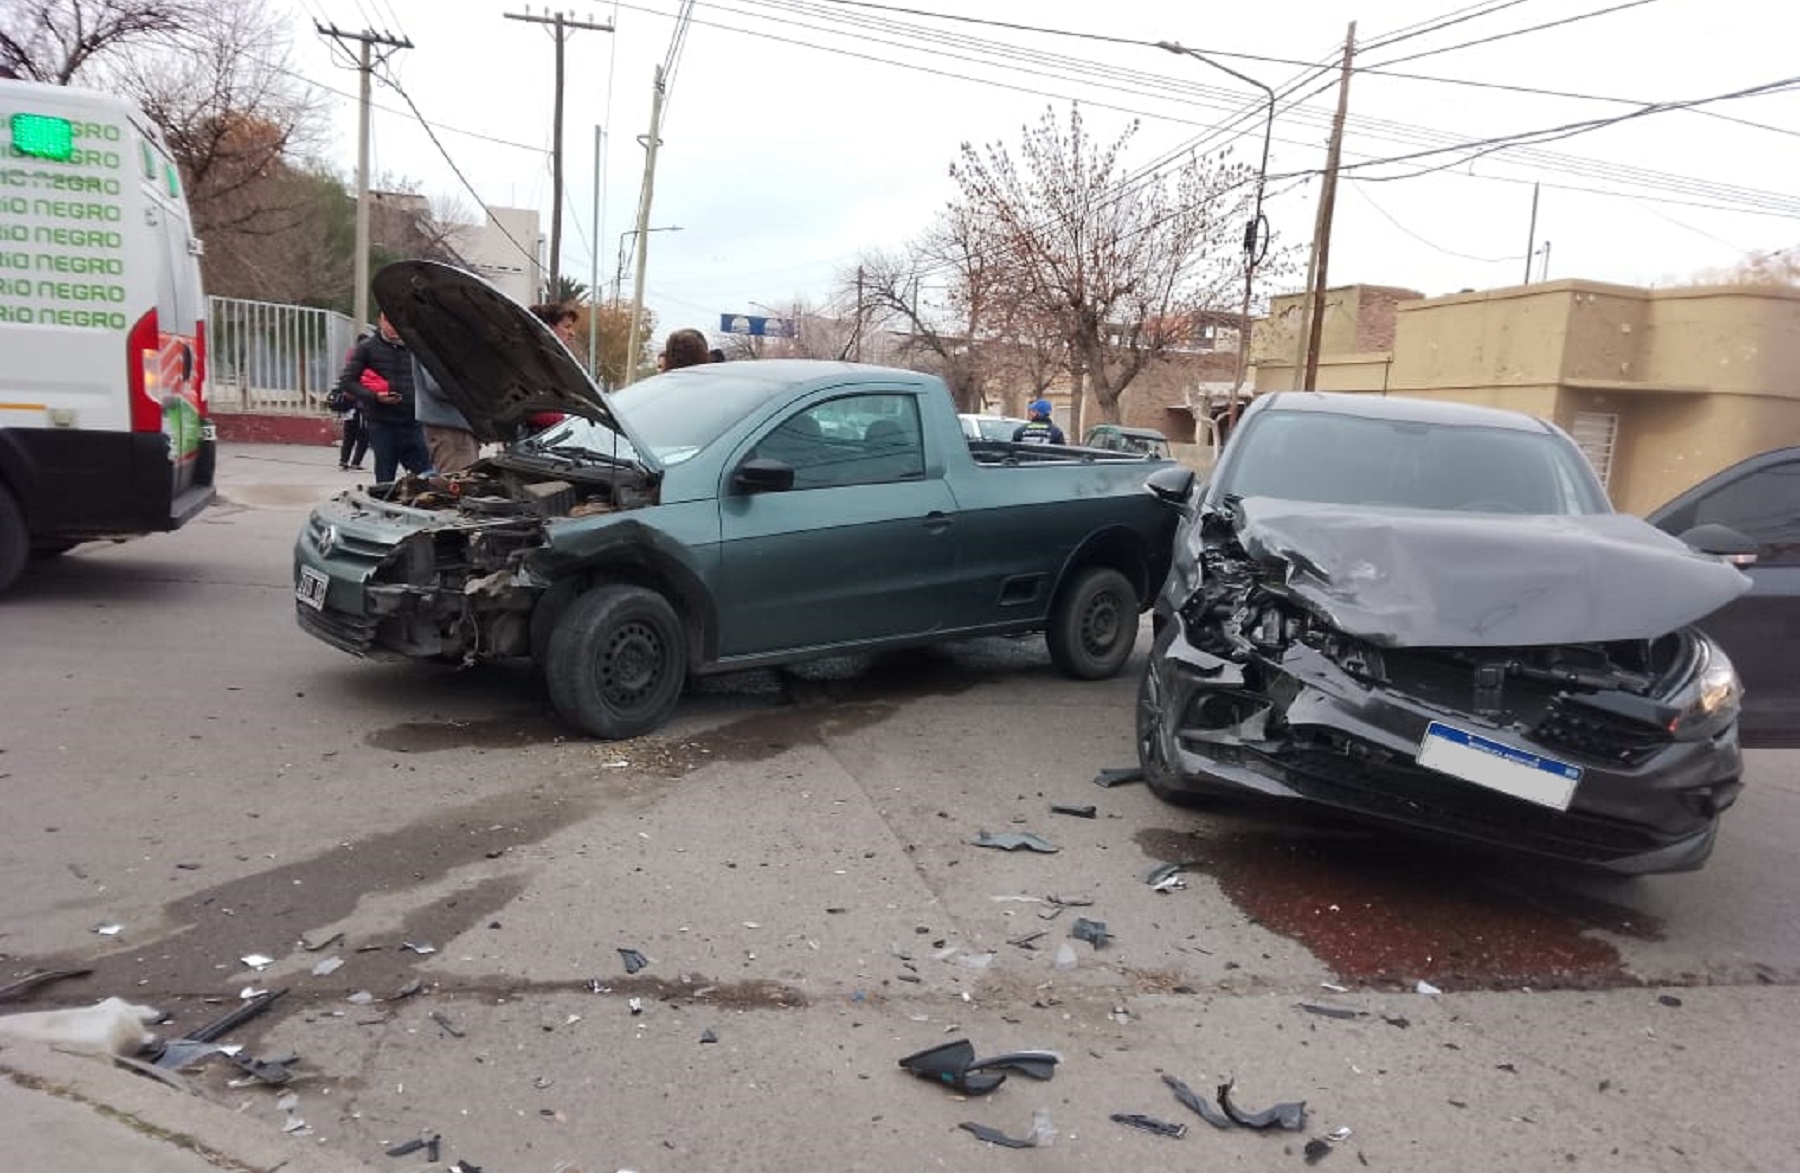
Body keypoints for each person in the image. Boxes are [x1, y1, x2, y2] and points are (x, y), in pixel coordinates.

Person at [334, 311, 433, 482]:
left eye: (396, 320)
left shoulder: (418, 347)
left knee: (426, 478)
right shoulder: (367, 348)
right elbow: (347, 381)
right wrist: (375, 396)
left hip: (414, 423)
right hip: (382, 425)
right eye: (387, 320)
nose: (392, 325)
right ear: (379, 321)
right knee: (385, 480)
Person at [523, 303, 578, 435]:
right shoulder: (531, 360)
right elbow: (530, 405)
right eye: (567, 327)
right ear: (548, 328)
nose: (572, 333)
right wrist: (565, 421)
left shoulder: (553, 361)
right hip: (534, 440)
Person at [414, 361, 478, 473]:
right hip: (450, 425)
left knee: (463, 480)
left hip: (453, 425)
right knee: (459, 481)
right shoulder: (430, 345)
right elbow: (438, 385)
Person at [336, 394, 367, 471]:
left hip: (351, 415)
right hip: (356, 416)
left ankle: (346, 462)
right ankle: (351, 462)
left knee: (349, 440)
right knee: (361, 440)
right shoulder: (357, 387)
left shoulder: (349, 385)